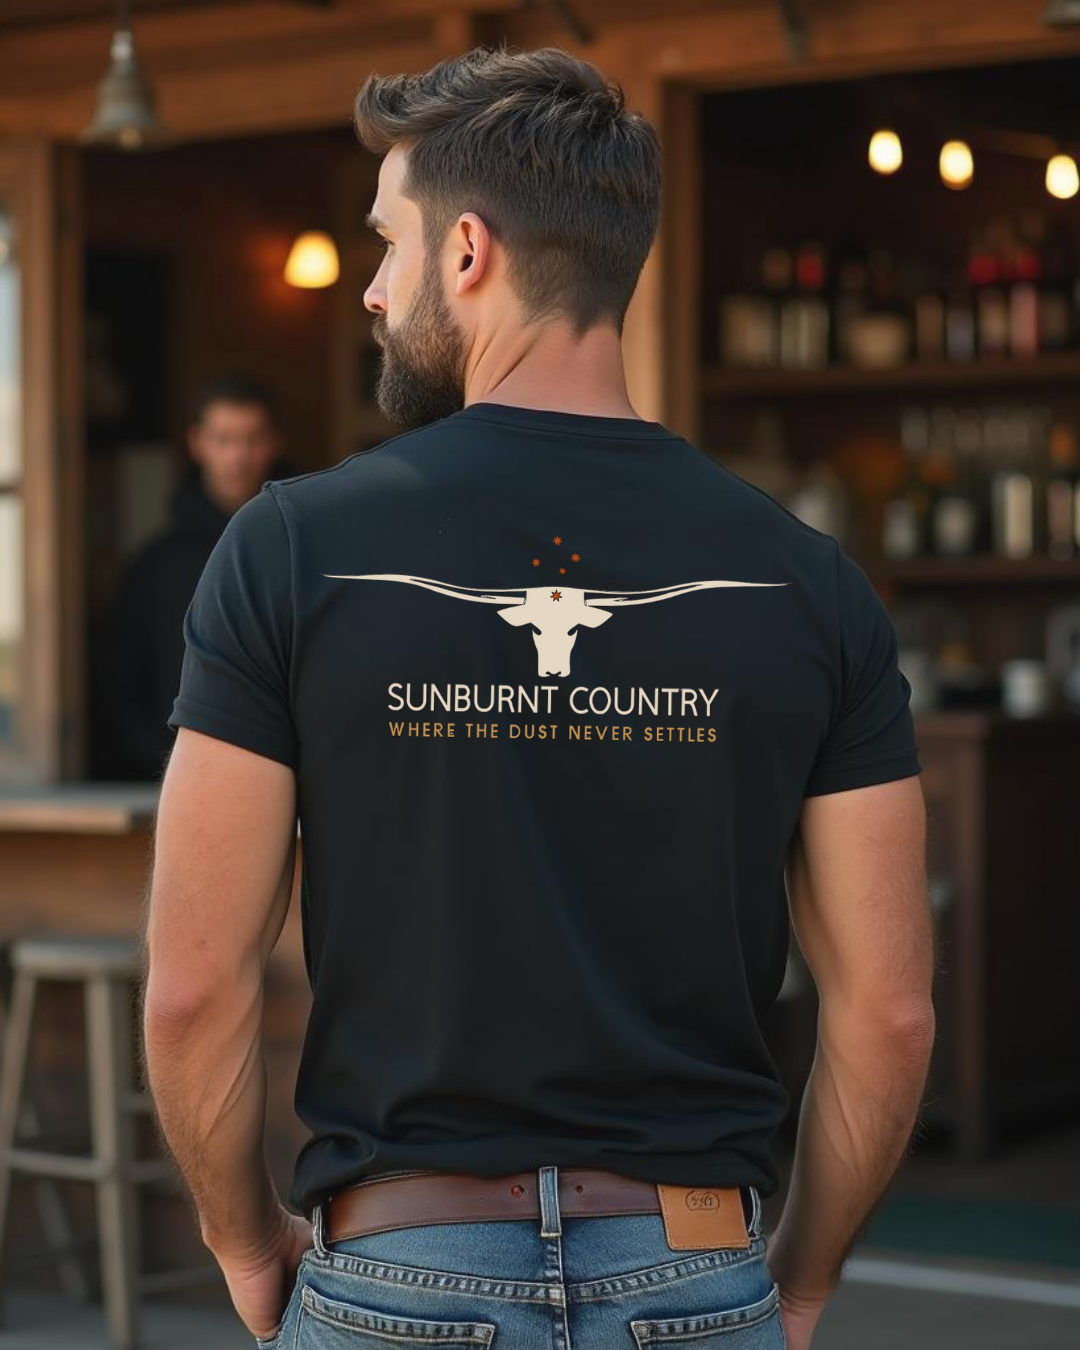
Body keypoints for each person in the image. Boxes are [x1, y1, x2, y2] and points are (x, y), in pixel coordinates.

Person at [140, 42, 935, 1350]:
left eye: (384, 246)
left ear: (467, 253)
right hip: (693, 1269)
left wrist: (240, 1242)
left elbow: (194, 984)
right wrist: (790, 1282)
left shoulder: (290, 548)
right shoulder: (806, 580)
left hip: (399, 1270)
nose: (374, 293)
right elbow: (889, 1011)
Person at [97, 374, 294, 780]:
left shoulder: (302, 551)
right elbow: (120, 685)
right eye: (223, 439)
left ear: (275, 442)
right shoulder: (154, 567)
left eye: (252, 439)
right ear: (197, 443)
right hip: (172, 777)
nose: (238, 455)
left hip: (284, 775)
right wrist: (163, 766)